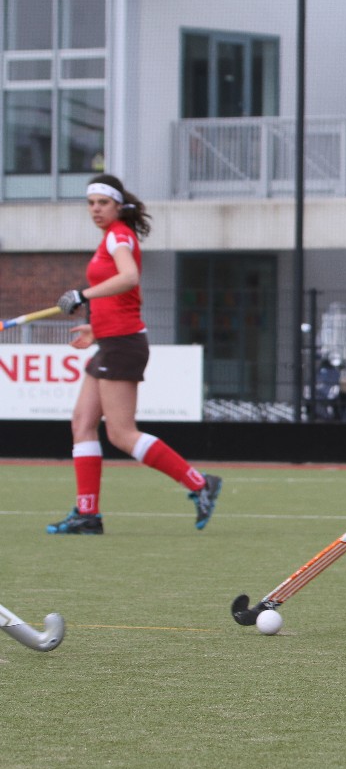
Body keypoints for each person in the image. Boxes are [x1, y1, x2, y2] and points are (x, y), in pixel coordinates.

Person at [47, 174, 222, 535]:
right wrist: (95, 328)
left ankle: (199, 483)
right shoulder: (110, 238)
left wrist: (82, 295)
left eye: (103, 203)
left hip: (123, 344)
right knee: (82, 422)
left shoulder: (119, 235)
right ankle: (87, 515)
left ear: (118, 206)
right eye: (91, 203)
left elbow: (129, 278)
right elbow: (121, 299)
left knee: (121, 433)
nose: (95, 209)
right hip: (110, 341)